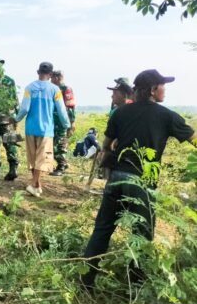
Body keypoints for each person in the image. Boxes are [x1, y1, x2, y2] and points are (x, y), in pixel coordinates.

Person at [81, 69, 196, 290]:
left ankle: (86, 282)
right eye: (163, 86)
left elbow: (106, 145)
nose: (165, 90)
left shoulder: (121, 113)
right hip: (142, 183)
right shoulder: (167, 116)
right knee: (141, 236)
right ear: (153, 89)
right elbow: (194, 139)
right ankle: (134, 289)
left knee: (102, 229)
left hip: (116, 178)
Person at [15, 62, 70, 197]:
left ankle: (36, 184)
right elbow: (62, 110)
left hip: (30, 128)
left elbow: (25, 109)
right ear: (50, 75)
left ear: (38, 72)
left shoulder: (29, 88)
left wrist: (16, 119)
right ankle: (34, 184)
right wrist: (67, 125)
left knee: (33, 158)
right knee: (42, 158)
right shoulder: (55, 90)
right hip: (46, 129)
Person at [50, 71, 76, 176]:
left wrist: (71, 123)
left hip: (62, 122)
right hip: (53, 121)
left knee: (59, 144)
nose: (50, 80)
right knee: (54, 143)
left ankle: (62, 165)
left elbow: (70, 107)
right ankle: (61, 165)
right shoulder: (53, 89)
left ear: (57, 78)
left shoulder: (66, 89)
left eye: (52, 77)